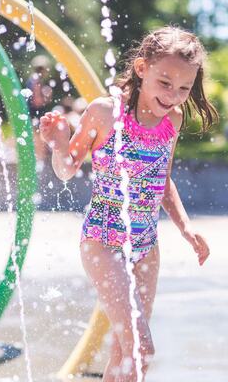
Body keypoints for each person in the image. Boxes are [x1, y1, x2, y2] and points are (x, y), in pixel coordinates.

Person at [40, 26, 219, 382]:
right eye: (165, 83)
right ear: (141, 69)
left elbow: (161, 179)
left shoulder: (174, 119)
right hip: (102, 242)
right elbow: (66, 170)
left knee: (128, 358)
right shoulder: (105, 113)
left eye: (184, 88)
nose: (173, 96)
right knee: (142, 345)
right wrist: (59, 145)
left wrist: (185, 228)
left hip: (146, 245)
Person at [26, 55, 53, 166]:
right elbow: (37, 101)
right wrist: (47, 97)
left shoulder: (32, 79)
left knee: (36, 136)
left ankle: (38, 161)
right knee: (39, 137)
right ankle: (39, 162)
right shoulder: (36, 80)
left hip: (31, 112)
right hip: (35, 113)